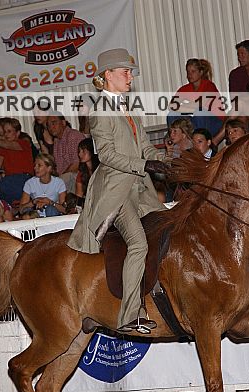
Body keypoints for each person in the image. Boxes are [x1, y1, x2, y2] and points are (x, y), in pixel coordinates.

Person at [67, 48, 169, 334]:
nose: (130, 77)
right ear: (108, 75)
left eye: (130, 72)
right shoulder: (100, 110)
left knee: (168, 230)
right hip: (116, 189)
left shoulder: (128, 108)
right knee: (138, 244)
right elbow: (107, 155)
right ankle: (129, 315)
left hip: (140, 189)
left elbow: (145, 146)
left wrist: (165, 162)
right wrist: (144, 164)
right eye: (125, 72)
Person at [168, 58, 226, 136]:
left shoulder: (209, 85)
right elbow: (171, 106)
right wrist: (192, 108)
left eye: (193, 71)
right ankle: (176, 139)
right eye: (188, 72)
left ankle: (200, 138)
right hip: (197, 119)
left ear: (201, 72)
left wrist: (183, 107)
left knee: (200, 112)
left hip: (216, 122)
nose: (190, 75)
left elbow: (201, 104)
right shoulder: (185, 88)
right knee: (172, 114)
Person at [46, 114, 86, 194]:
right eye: (48, 125)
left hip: (78, 176)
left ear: (63, 123)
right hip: (65, 178)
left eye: (54, 123)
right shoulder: (57, 141)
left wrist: (59, 179)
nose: (51, 127)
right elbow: (57, 168)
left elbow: (76, 165)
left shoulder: (73, 136)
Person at [19, 153, 67, 218]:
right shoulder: (30, 183)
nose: (35, 168)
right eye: (35, 165)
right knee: (27, 213)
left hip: (53, 215)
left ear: (49, 168)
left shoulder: (59, 183)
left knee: (50, 209)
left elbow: (65, 210)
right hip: (36, 215)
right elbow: (21, 209)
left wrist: (50, 203)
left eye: (39, 165)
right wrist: (33, 202)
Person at [75, 138, 99, 206]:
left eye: (83, 151)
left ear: (91, 151)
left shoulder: (101, 170)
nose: (80, 154)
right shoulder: (81, 173)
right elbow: (79, 196)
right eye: (79, 151)